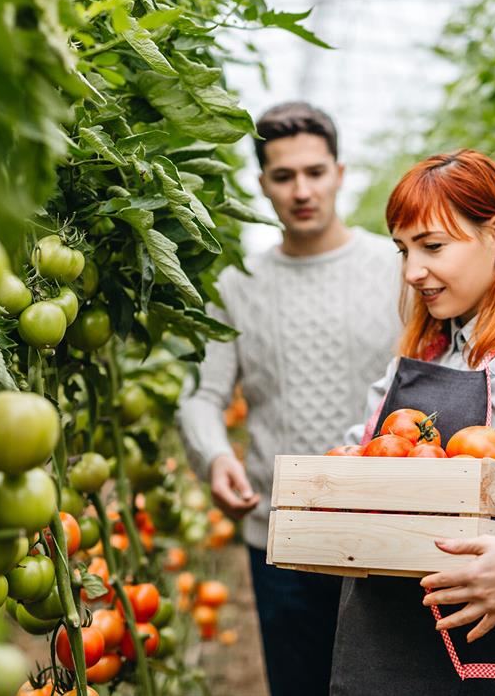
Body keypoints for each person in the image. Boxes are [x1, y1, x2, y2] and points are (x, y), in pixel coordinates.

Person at [330, 149, 495, 696]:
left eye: (432, 246)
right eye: (403, 250)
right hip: (380, 651)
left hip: (485, 667)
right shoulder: (421, 359)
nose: (412, 271)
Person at [177, 102, 403, 696]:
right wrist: (215, 457)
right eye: (283, 176)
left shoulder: (396, 268)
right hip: (283, 533)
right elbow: (201, 395)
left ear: (340, 172)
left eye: (314, 171)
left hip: (389, 527)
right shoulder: (237, 284)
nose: (301, 190)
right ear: (262, 184)